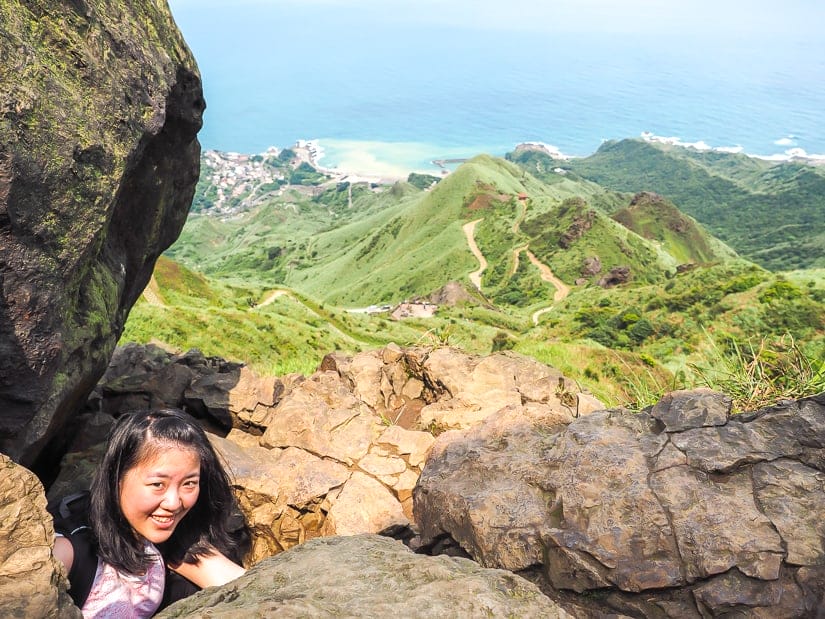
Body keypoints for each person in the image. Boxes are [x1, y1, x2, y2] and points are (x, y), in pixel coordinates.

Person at [53, 408, 250, 617]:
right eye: (158, 484)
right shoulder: (68, 551)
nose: (174, 503)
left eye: (189, 483)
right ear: (116, 478)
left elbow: (248, 588)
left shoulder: (164, 536)